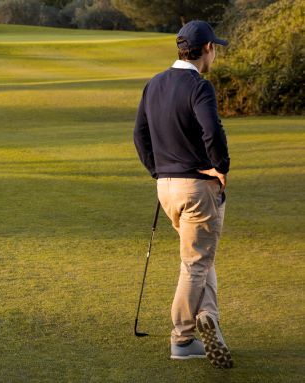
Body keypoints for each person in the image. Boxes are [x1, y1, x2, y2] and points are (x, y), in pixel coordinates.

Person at [133, 20, 233, 369]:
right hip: (196, 187)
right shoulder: (199, 87)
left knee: (198, 257)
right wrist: (221, 167)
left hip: (166, 189)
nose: (214, 53)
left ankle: (208, 316)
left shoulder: (154, 84)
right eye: (214, 48)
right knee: (195, 262)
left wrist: (157, 171)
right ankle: (183, 338)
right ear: (207, 49)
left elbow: (140, 136)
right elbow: (213, 132)